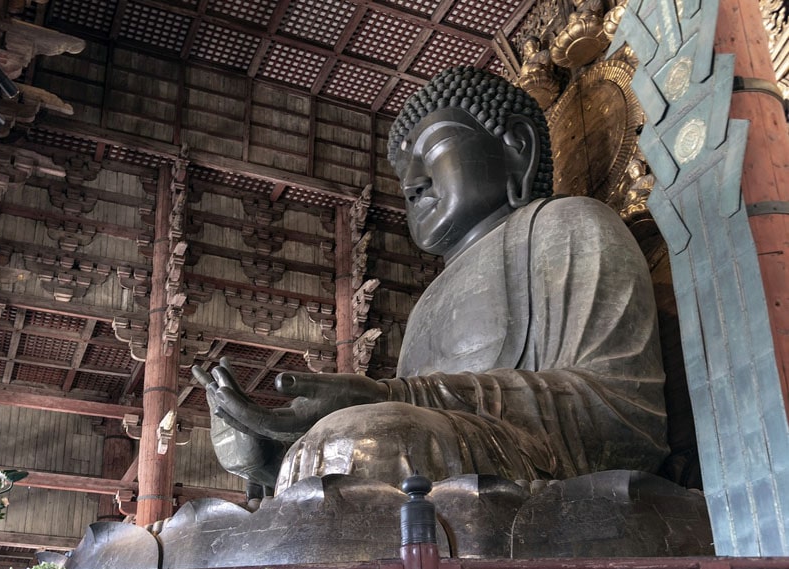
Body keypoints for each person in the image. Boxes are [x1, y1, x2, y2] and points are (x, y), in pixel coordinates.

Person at [193, 66, 668, 496]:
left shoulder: (568, 225)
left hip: (544, 471)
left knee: (367, 439)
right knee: (350, 444)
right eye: (403, 173)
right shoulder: (427, 304)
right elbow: (415, 419)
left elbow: (624, 414)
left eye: (433, 151)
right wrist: (269, 457)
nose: (411, 184)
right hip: (446, 467)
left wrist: (392, 397)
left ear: (516, 148)